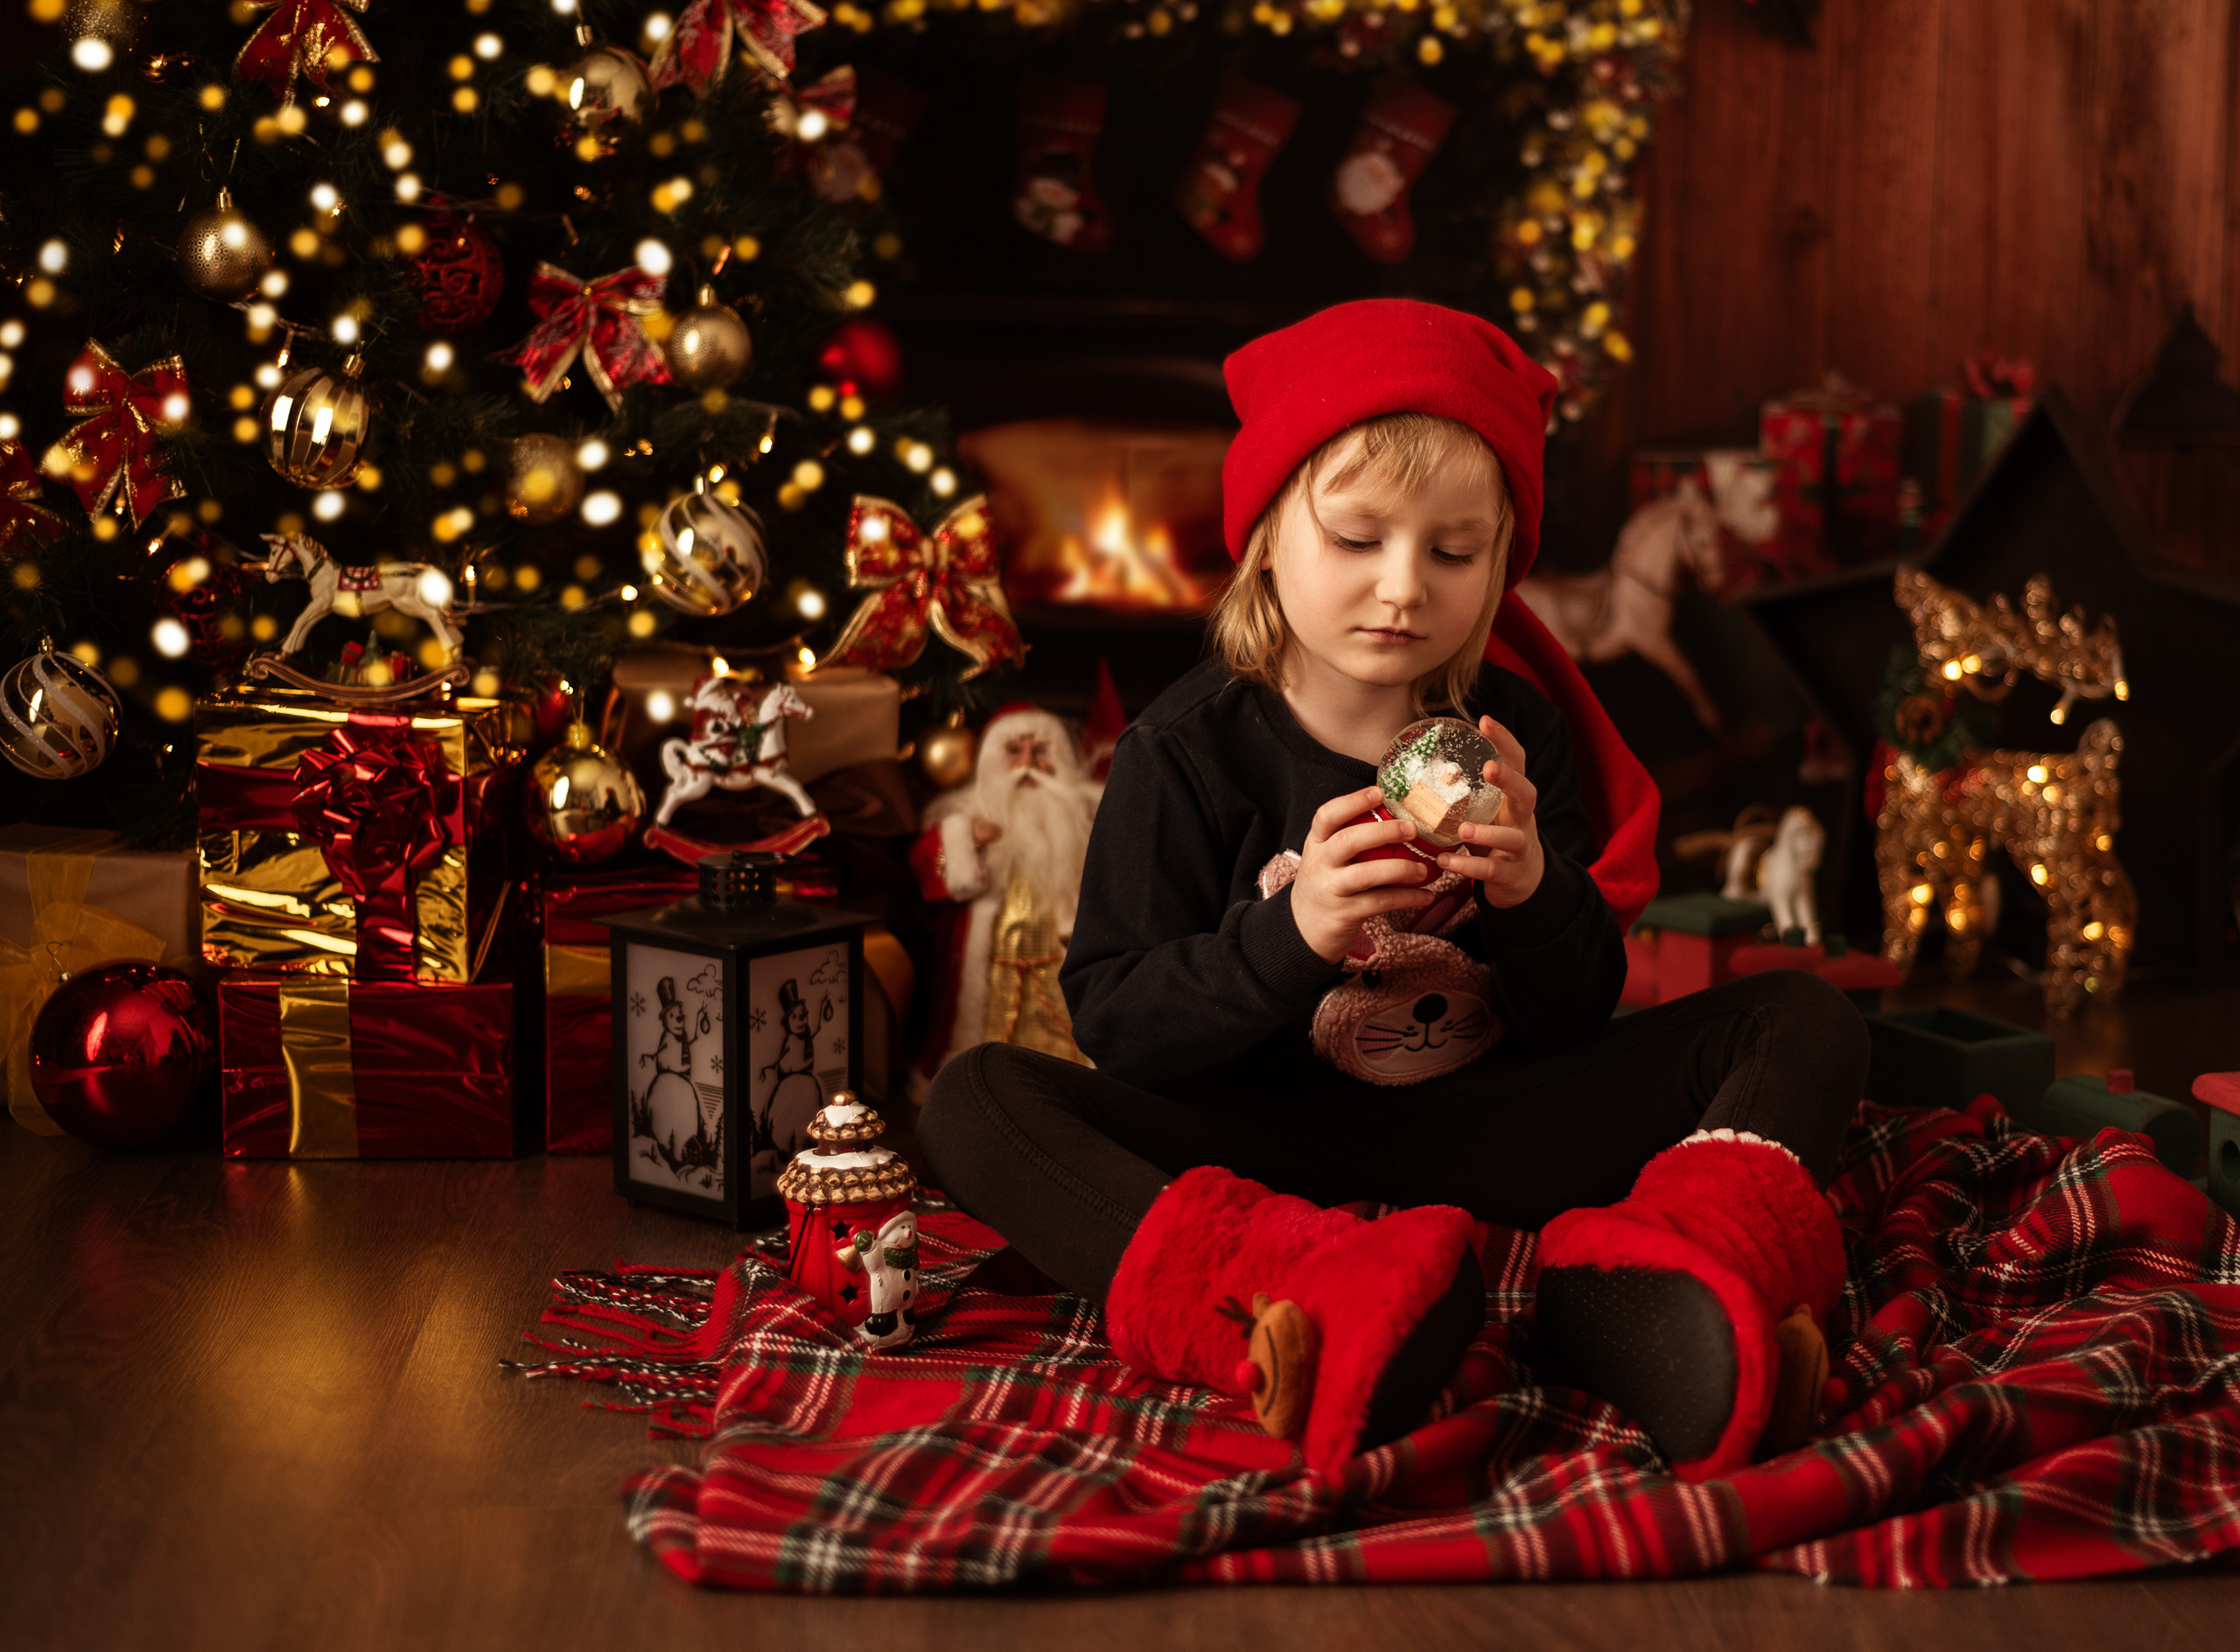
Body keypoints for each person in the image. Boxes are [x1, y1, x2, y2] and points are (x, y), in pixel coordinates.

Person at [918, 300, 1868, 1484]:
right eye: (1358, 539)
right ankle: (1309, 1298)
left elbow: (1578, 1011)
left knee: (1801, 1018)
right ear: (1268, 538)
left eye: (1452, 552)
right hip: (1255, 1151)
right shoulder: (1185, 753)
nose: (1403, 588)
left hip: (1491, 1127)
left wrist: (1530, 890)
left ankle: (1640, 1284)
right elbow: (1120, 1025)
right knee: (976, 1102)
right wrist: (1292, 932)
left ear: (1501, 561)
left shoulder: (1514, 734)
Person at [908, 703, 1102, 1088]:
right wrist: (963, 840)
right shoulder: (963, 817)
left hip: (1060, 970)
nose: (1027, 763)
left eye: (1040, 751)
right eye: (1014, 751)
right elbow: (927, 870)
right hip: (992, 971)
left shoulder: (1088, 819)